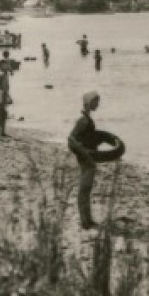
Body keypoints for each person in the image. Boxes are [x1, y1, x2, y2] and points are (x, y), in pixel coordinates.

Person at [67, 91, 103, 231]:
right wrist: (85, 154)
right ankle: (85, 221)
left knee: (87, 189)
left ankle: (88, 219)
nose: (97, 104)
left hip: (88, 157)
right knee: (84, 189)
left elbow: (87, 137)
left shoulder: (87, 119)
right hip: (85, 158)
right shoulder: (83, 120)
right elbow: (71, 139)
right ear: (88, 103)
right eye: (95, 102)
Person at [0, 66, 12, 139]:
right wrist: (8, 96)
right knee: (2, 114)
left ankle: (1, 132)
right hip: (1, 95)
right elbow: (5, 87)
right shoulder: (3, 75)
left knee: (3, 113)